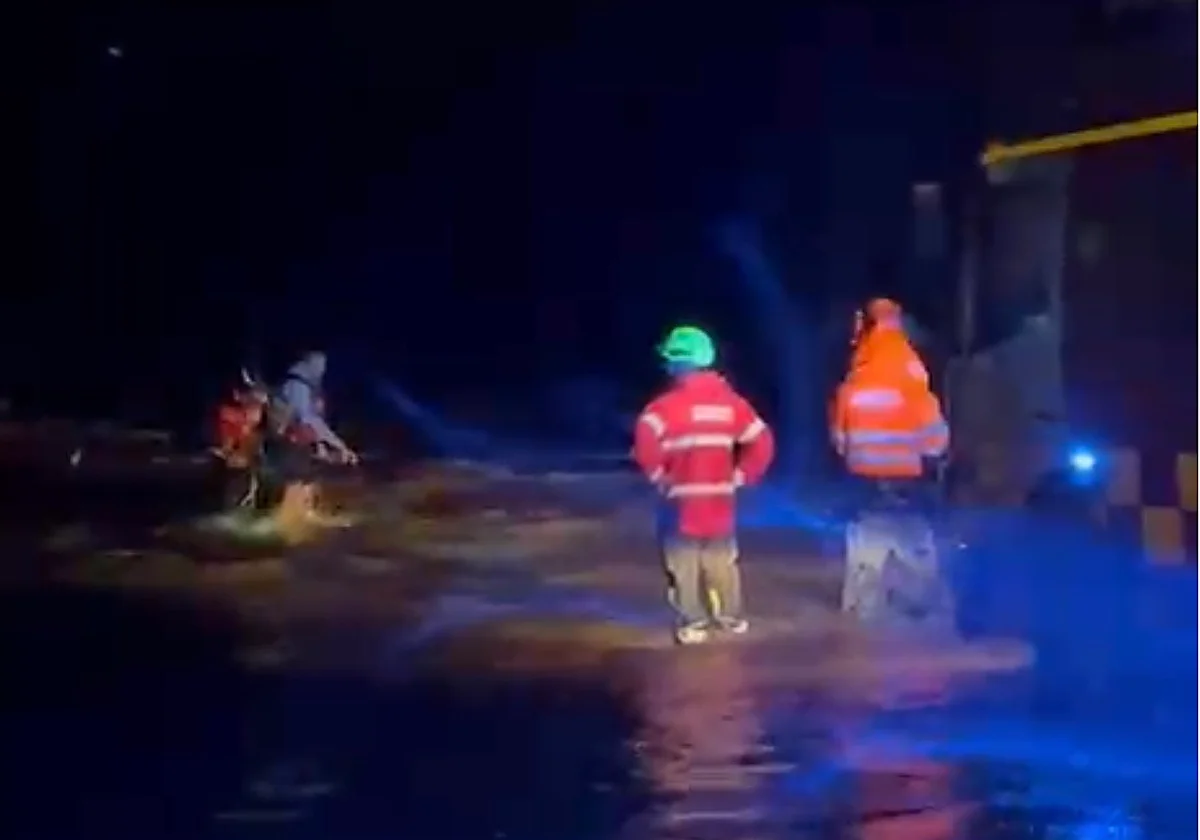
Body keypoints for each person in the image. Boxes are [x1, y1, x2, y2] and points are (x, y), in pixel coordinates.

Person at [633, 325, 775, 645]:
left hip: (680, 504)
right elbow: (762, 441)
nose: (666, 367)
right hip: (720, 503)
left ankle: (693, 623)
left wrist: (659, 477)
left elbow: (645, 443)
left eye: (669, 360)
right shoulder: (732, 405)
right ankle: (731, 619)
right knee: (722, 563)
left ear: (680, 363)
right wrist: (742, 475)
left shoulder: (663, 409)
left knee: (683, 565)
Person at [830, 299, 950, 622]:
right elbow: (931, 429)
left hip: (864, 476)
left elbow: (839, 438)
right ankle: (921, 605)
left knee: (866, 541)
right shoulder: (911, 369)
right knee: (913, 540)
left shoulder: (857, 374)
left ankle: (861, 606)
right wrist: (935, 451)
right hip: (906, 476)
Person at [265, 351, 358, 530]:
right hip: (289, 442)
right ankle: (282, 523)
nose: (322, 370)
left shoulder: (306, 386)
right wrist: (339, 445)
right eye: (320, 365)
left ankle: (305, 516)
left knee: (308, 478)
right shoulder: (296, 385)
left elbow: (312, 422)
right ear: (309, 364)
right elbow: (309, 419)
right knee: (297, 479)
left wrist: (323, 446)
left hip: (300, 442)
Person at [213, 372, 268, 510]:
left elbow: (258, 434)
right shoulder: (228, 414)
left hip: (247, 460)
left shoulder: (256, 411)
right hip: (236, 463)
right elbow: (227, 444)